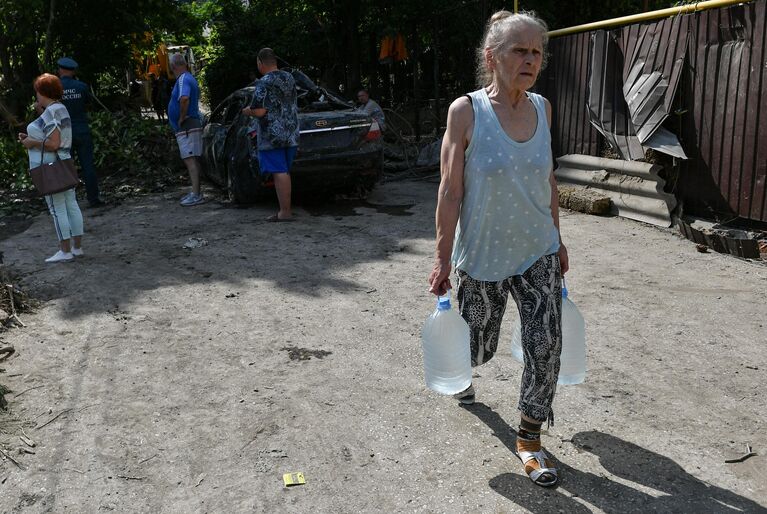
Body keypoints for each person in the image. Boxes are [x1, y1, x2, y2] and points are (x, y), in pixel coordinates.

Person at [427, 10, 569, 488]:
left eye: (537, 52)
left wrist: (559, 238)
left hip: (537, 251)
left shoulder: (543, 107)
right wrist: (443, 257)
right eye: (520, 50)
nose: (531, 60)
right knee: (476, 348)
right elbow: (450, 191)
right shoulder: (465, 112)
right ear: (492, 57)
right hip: (483, 255)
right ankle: (463, 375)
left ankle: (529, 438)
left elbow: (547, 179)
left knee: (546, 343)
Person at [18, 74, 85, 263]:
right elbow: (52, 134)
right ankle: (77, 247)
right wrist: (35, 132)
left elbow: (53, 143)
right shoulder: (60, 108)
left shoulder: (51, 111)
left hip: (50, 165)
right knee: (71, 205)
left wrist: (31, 142)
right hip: (64, 162)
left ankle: (64, 251)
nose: (36, 95)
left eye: (37, 92)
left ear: (43, 92)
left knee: (57, 209)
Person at [242, 48, 299, 221]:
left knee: (279, 171)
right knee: (285, 171)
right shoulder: (289, 77)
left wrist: (247, 111)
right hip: (291, 131)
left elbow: (259, 111)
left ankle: (285, 212)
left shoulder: (264, 82)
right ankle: (285, 210)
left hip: (273, 135)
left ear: (260, 63)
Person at [57, 56, 103, 208]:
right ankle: (94, 199)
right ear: (73, 70)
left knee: (66, 166)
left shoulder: (55, 88)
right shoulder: (81, 86)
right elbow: (88, 104)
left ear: (60, 70)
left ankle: (70, 201)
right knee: (88, 165)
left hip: (64, 132)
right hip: (82, 129)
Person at [168, 52, 204, 206]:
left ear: (172, 66)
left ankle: (196, 195)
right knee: (193, 160)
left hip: (187, 126)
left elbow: (184, 98)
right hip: (190, 125)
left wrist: (181, 117)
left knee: (190, 160)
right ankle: (196, 192)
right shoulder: (189, 78)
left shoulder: (183, 79)